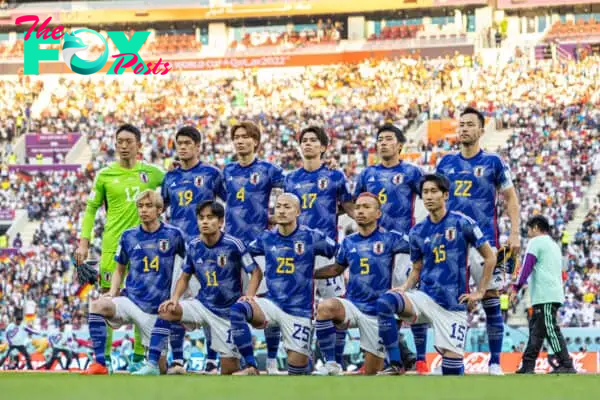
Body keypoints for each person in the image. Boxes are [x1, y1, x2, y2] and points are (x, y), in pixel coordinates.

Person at [376, 174, 496, 375]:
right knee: (386, 302)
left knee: (452, 373)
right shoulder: (417, 231)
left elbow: (490, 257)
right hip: (425, 298)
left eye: (434, 191)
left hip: (452, 305)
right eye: (425, 192)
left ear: (445, 195)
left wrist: (480, 292)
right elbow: (416, 268)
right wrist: (404, 287)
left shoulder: (462, 223)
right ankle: (396, 363)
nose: (429, 196)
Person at [436, 107, 520, 375]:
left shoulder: (494, 162)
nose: (464, 129)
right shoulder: (445, 163)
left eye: (470, 124)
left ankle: (495, 362)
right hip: (451, 242)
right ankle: (450, 360)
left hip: (484, 242)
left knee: (491, 297)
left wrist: (515, 233)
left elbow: (510, 198)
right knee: (447, 300)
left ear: (481, 130)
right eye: (461, 124)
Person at [76, 124, 165, 371]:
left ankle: (138, 358)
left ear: (139, 145)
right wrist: (84, 243)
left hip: (145, 249)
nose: (124, 146)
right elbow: (91, 208)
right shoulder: (105, 174)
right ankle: (101, 361)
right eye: (119, 141)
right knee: (107, 297)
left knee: (142, 301)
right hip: (111, 246)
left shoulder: (154, 173)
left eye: (128, 141)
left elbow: (173, 192)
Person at [229, 193, 338, 375]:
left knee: (297, 372)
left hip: (299, 311)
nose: (281, 210)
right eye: (278, 206)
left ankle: (309, 360)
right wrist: (251, 287)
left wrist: (318, 273)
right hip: (271, 304)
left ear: (298, 212)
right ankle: (251, 366)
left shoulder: (312, 237)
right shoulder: (266, 238)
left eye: (287, 207)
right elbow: (244, 254)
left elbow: (341, 254)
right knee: (239, 308)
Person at [81, 190, 186, 375]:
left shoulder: (174, 235)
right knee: (97, 305)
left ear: (159, 209)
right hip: (130, 301)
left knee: (161, 369)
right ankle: (100, 364)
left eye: (148, 206)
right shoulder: (128, 235)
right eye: (140, 206)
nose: (143, 210)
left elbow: (189, 266)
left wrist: (179, 296)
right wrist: (113, 292)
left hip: (158, 310)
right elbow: (119, 268)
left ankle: (160, 361)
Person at [158, 200, 263, 375]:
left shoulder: (234, 244)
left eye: (210, 217)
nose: (205, 221)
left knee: (229, 370)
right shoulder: (193, 245)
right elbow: (185, 276)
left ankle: (250, 367)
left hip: (228, 311)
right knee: (167, 310)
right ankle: (158, 363)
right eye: (201, 218)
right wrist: (175, 298)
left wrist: (249, 296)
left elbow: (256, 272)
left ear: (221, 222)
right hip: (203, 304)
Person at [353, 123, 424, 373]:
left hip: (402, 248)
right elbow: (355, 205)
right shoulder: (366, 174)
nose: (382, 143)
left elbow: (429, 198)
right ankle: (396, 358)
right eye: (379, 139)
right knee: (376, 304)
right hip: (372, 249)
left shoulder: (412, 172)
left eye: (388, 139)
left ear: (400, 145)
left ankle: (418, 358)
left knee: (403, 300)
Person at [313, 193, 410, 375]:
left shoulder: (392, 238)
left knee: (371, 374)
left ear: (378, 213)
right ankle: (331, 363)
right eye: (357, 207)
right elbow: (336, 269)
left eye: (366, 207)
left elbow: (419, 249)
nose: (360, 211)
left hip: (379, 313)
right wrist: (310, 274)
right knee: (325, 307)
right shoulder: (349, 241)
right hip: (354, 306)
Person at [282, 126, 354, 370]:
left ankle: (335, 361)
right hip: (296, 252)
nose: (308, 144)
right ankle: (304, 361)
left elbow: (347, 205)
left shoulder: (335, 176)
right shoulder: (290, 179)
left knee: (335, 306)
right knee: (300, 308)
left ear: (323, 147)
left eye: (313, 140)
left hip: (326, 251)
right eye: (304, 140)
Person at [161, 126, 226, 375]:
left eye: (188, 143)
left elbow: (231, 202)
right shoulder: (171, 177)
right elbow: (160, 206)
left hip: (207, 251)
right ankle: (178, 359)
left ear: (198, 146)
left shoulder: (211, 174)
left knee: (210, 304)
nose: (183, 147)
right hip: (177, 251)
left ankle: (212, 360)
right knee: (174, 303)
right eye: (179, 143)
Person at [223, 121, 284, 374]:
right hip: (232, 248)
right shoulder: (226, 171)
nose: (240, 141)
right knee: (234, 302)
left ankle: (270, 360)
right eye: (236, 136)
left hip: (260, 247)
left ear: (256, 141)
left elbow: (285, 199)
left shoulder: (269, 170)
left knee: (266, 302)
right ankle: (241, 358)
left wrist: (272, 219)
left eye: (246, 137)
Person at [511, 215, 576, 374]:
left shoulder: (536, 242)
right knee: (536, 331)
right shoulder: (554, 245)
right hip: (550, 294)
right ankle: (528, 365)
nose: (528, 232)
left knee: (550, 328)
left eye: (529, 229)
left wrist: (515, 288)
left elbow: (526, 267)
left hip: (545, 295)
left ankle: (566, 363)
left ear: (536, 227)